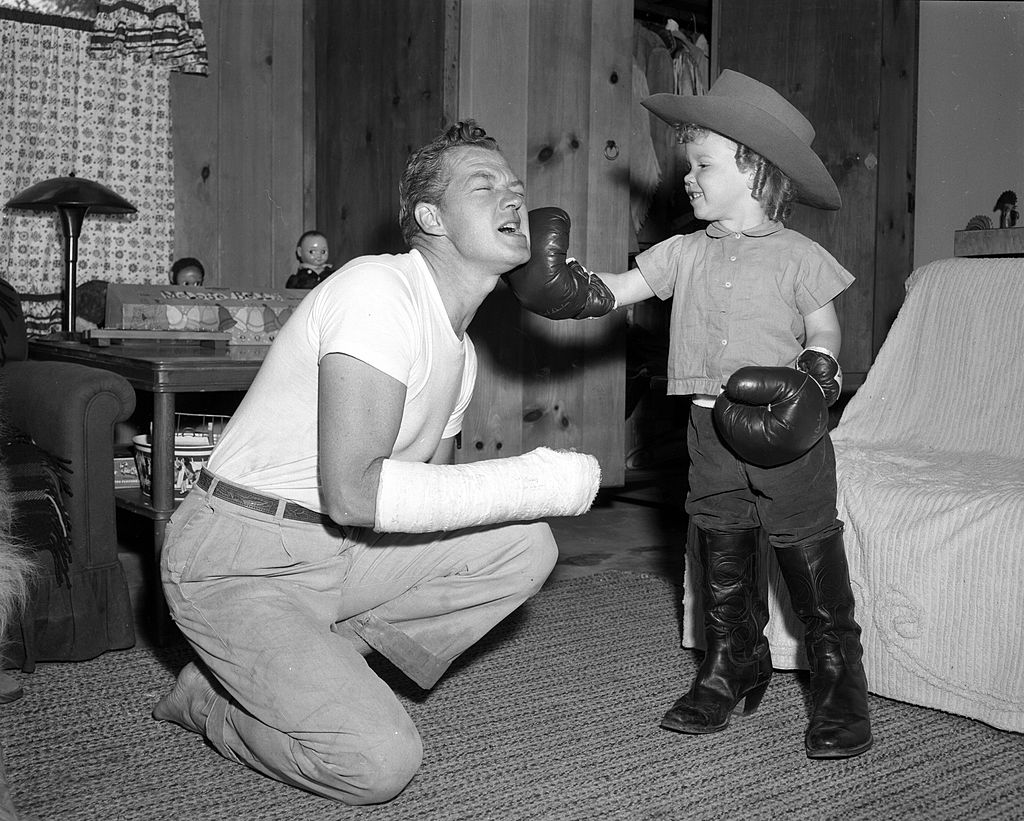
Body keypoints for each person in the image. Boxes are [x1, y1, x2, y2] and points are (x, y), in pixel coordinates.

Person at [151, 120, 600, 805]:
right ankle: (207, 700)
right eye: (485, 186)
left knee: (524, 545)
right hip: (239, 556)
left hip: (343, 554)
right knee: (378, 763)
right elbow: (357, 492)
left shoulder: (463, 355)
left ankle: (320, 654)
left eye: (516, 186)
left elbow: (423, 500)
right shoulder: (376, 289)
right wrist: (537, 480)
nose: (515, 199)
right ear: (430, 218)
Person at [504, 70, 872, 759]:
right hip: (709, 428)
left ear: (755, 171)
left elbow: (823, 331)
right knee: (718, 547)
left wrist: (818, 374)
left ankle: (837, 682)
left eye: (703, 165)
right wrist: (561, 287)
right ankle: (732, 659)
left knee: (807, 552)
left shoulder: (800, 255)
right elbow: (617, 289)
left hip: (788, 430)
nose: (688, 180)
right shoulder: (682, 251)